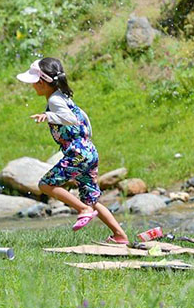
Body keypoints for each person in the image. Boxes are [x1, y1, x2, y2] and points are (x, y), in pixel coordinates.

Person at [16, 57, 128, 244]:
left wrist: (48, 115)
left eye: (34, 83)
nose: (32, 86)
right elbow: (83, 119)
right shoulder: (64, 96)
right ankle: (120, 235)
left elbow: (70, 119)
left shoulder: (54, 100)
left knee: (46, 185)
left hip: (78, 153)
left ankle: (83, 210)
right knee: (91, 199)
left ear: (42, 82)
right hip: (89, 150)